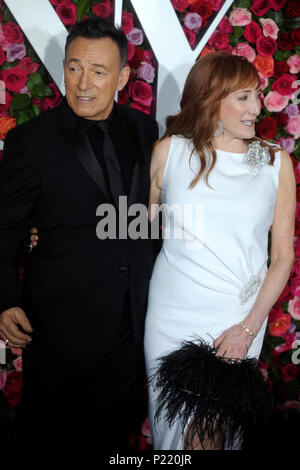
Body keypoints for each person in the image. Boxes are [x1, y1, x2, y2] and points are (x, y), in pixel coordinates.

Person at [0, 17, 158, 452]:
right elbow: (6, 225)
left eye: (99, 71)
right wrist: (5, 300)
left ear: (123, 77)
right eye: (74, 68)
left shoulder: (145, 130)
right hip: (60, 330)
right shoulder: (33, 141)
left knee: (113, 441)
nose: (83, 83)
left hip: (130, 327)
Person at [144, 51, 296, 450]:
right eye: (243, 97)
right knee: (170, 436)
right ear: (212, 98)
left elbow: (282, 258)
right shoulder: (170, 152)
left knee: (209, 438)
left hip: (236, 320)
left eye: (257, 95)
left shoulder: (276, 163)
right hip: (170, 317)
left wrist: (247, 329)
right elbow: (136, 229)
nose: (255, 107)